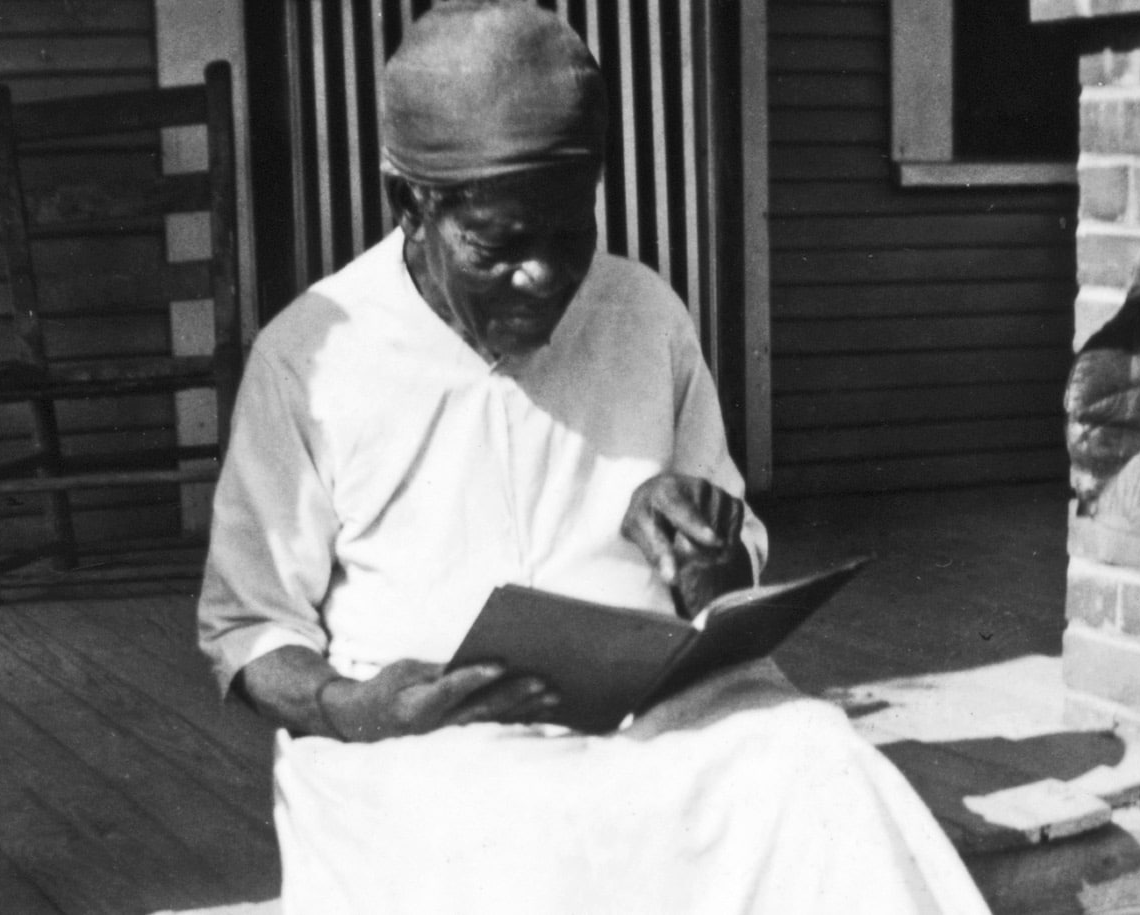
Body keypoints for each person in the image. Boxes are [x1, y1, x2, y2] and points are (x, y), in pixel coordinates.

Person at [197, 2, 991, 912]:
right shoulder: (311, 356)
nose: (544, 276)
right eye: (498, 247)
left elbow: (726, 571)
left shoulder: (643, 312)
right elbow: (249, 629)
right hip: (423, 740)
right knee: (521, 853)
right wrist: (354, 707)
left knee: (818, 762)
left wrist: (708, 552)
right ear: (408, 202)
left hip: (651, 719)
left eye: (569, 234)